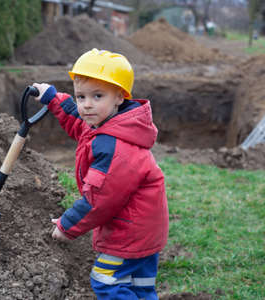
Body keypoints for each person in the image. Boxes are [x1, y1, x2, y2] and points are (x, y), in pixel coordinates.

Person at [33, 48, 169, 300]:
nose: (86, 105)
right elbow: (77, 120)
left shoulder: (114, 145)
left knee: (105, 281)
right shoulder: (111, 124)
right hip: (144, 229)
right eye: (80, 96)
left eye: (97, 95)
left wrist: (67, 226)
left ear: (119, 96)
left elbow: (99, 198)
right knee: (139, 286)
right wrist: (52, 98)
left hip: (129, 234)